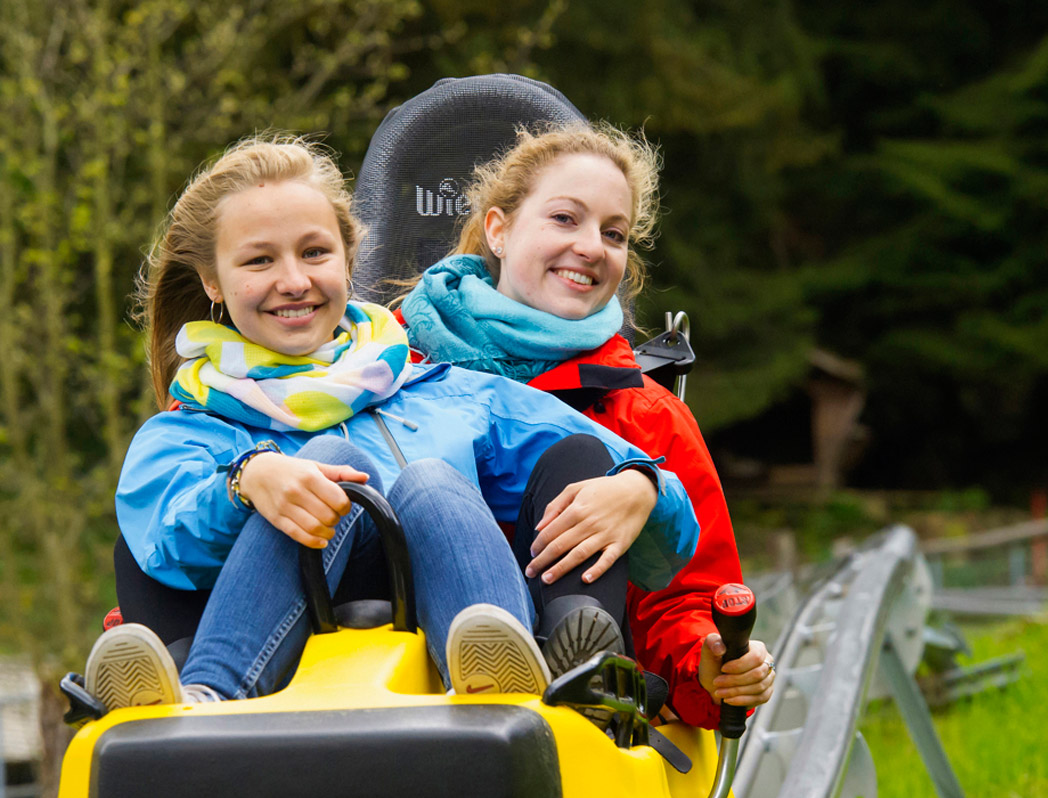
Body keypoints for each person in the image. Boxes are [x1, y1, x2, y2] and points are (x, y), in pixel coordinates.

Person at [84, 134, 701, 712]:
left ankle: (498, 668)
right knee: (326, 468)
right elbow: (160, 543)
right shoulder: (189, 431)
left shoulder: (444, 390)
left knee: (430, 479)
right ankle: (208, 695)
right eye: (259, 261)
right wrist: (246, 481)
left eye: (315, 252)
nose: (294, 281)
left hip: (449, 650)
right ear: (214, 282)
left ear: (348, 259)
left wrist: (643, 487)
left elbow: (622, 471)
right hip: (295, 669)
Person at [399, 123, 776, 728]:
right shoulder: (381, 368)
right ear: (498, 229)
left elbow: (684, 599)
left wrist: (706, 665)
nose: (593, 247)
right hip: (389, 666)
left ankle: (581, 669)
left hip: (582, 705)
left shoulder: (645, 415)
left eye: (613, 233)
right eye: (565, 220)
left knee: (584, 457)